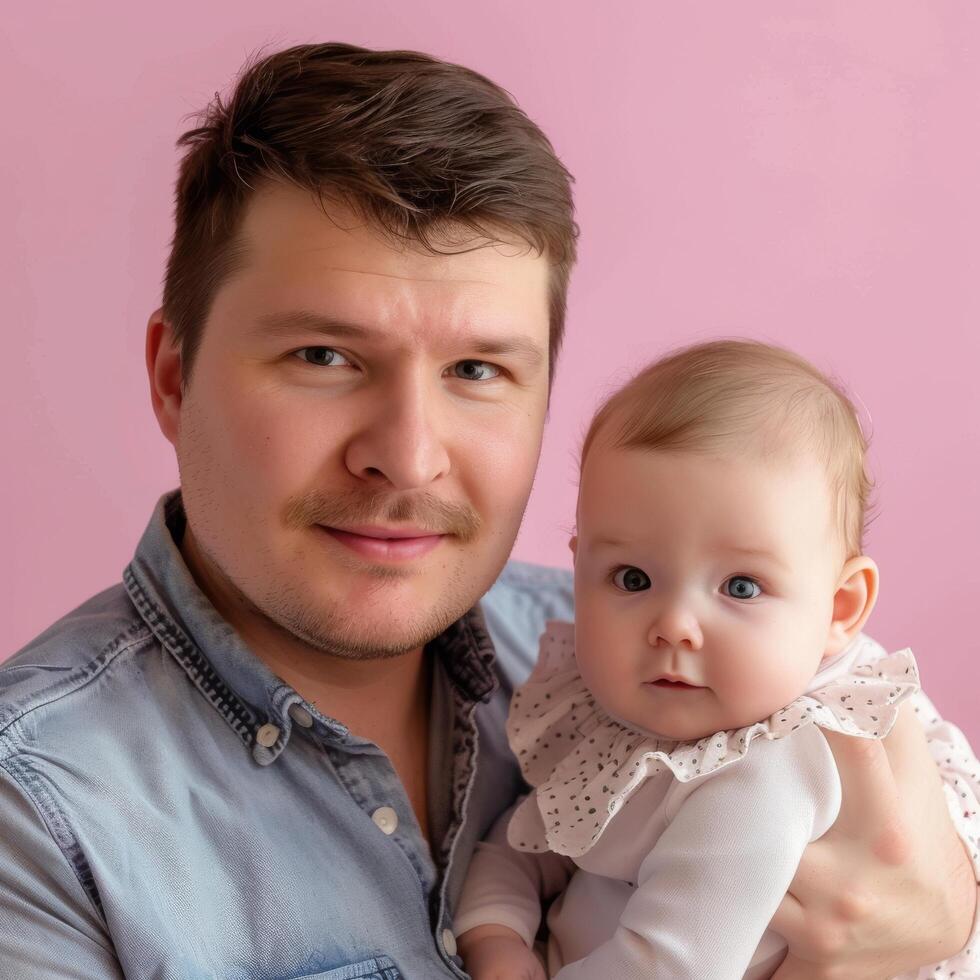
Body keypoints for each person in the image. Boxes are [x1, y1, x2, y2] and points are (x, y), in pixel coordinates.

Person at [0, 43, 975, 980]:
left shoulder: (637, 659)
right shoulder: (37, 812)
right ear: (175, 377)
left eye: (477, 370)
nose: (407, 453)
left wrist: (954, 907)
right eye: (323, 357)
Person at [454, 340, 980, 979]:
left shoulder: (779, 761)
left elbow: (673, 966)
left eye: (740, 587)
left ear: (839, 609)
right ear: (579, 566)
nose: (674, 626)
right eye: (631, 578)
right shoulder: (619, 718)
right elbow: (533, 840)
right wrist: (497, 937)